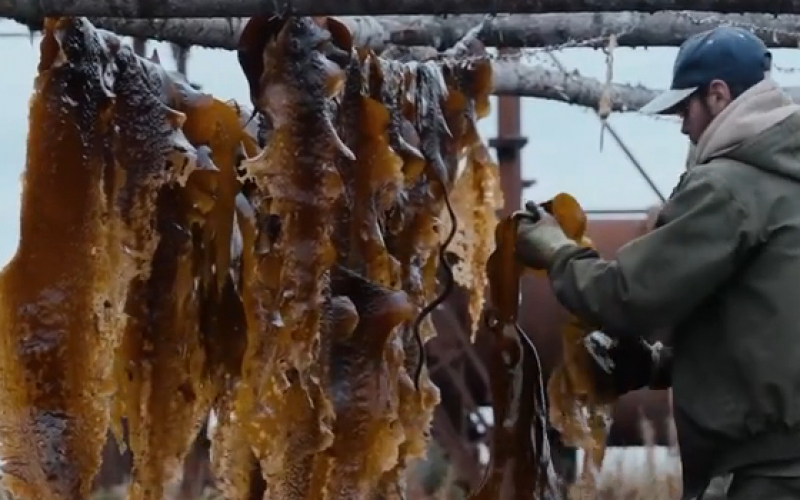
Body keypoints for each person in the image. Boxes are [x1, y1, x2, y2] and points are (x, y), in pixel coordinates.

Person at [515, 26, 800, 500]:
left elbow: (625, 297)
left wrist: (557, 251)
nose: (684, 127)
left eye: (684, 110)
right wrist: (658, 365)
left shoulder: (727, 188)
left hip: (764, 473)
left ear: (717, 94)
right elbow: (768, 326)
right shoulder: (787, 184)